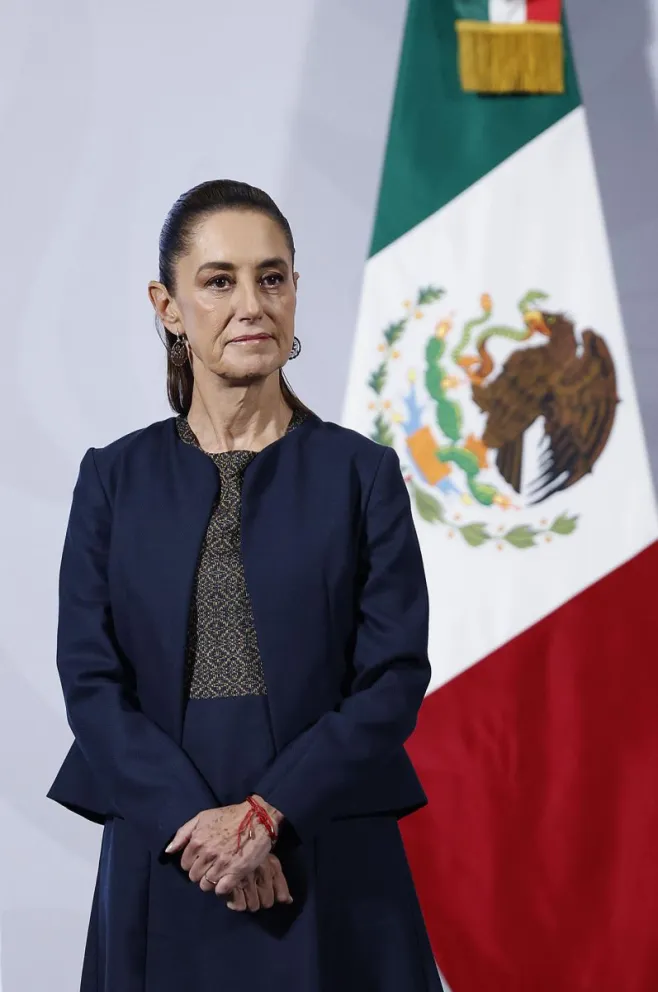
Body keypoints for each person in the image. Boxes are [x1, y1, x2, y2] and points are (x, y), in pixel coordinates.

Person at [48, 179, 443, 991]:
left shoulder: (360, 475)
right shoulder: (112, 480)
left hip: (328, 850)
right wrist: (205, 831)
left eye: (273, 277)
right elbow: (90, 684)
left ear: (297, 291)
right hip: (169, 854)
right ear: (167, 304)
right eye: (219, 280)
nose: (252, 303)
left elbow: (393, 678)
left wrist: (270, 817)